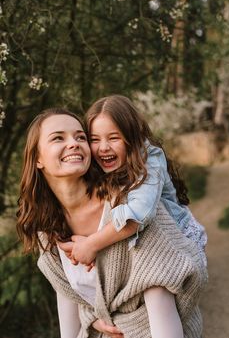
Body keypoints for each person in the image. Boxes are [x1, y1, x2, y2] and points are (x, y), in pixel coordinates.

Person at [17, 107, 207, 338]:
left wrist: (123, 322)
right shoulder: (46, 228)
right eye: (59, 137)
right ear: (37, 158)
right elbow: (68, 295)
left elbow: (170, 283)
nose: (74, 143)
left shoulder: (129, 205)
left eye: (81, 137)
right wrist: (93, 317)